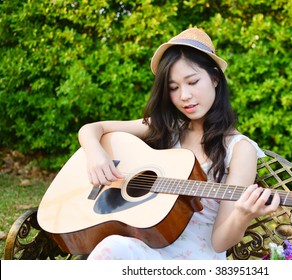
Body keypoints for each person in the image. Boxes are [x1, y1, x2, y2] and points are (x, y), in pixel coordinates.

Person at [78, 27, 280, 260]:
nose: (184, 95)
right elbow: (92, 129)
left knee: (112, 248)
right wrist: (96, 155)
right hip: (146, 243)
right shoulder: (166, 128)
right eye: (173, 88)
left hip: (195, 258)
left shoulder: (239, 149)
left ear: (215, 78)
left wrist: (243, 214)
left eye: (192, 82)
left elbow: (219, 242)